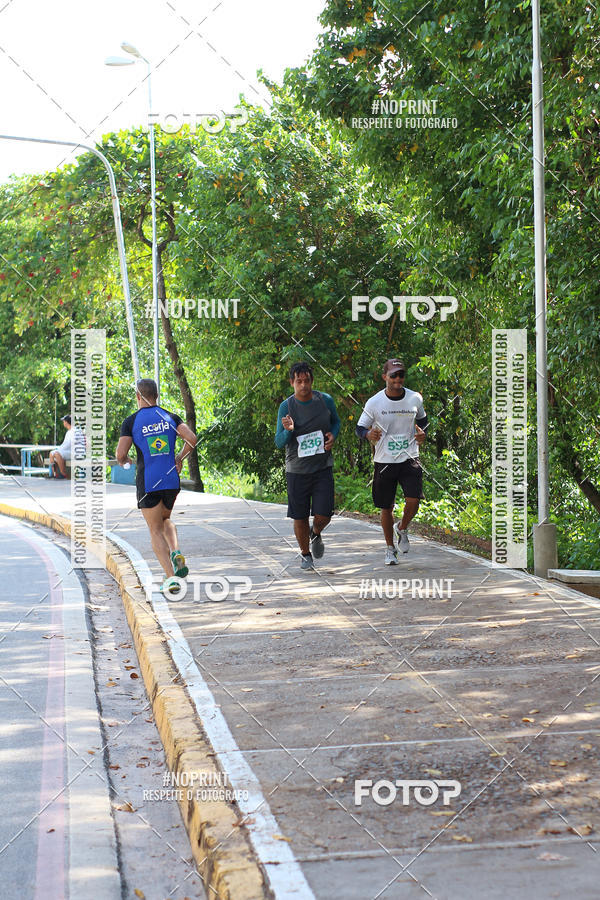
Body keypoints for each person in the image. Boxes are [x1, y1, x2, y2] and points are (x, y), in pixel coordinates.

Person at [115, 378, 198, 593]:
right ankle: (176, 550)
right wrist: (179, 457)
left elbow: (120, 454)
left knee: (154, 530)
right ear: (156, 396)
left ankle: (171, 578)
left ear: (138, 396)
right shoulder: (170, 417)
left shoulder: (131, 421)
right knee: (166, 520)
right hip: (171, 480)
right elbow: (192, 438)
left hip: (149, 481)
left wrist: (124, 461)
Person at [356, 359, 428, 566]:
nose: (398, 379)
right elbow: (360, 428)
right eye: (393, 375)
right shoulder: (374, 402)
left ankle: (402, 527)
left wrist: (423, 433)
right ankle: (389, 549)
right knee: (386, 507)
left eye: (401, 375)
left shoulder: (415, 398)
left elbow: (423, 421)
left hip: (409, 457)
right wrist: (369, 434)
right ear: (384, 377)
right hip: (384, 460)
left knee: (413, 500)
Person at [275, 361, 341, 570]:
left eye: (307, 381)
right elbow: (279, 441)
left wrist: (333, 435)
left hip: (322, 467)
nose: (303, 385)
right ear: (292, 383)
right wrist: (290, 430)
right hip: (297, 471)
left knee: (325, 515)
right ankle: (305, 554)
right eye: (299, 381)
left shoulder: (325, 401)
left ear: (312, 381)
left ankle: (316, 532)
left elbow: (336, 422)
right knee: (300, 516)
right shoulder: (286, 406)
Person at [49, 414, 84, 478]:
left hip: (77, 453)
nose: (63, 422)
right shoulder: (69, 431)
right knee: (51, 453)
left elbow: (69, 444)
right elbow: (66, 444)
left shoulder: (75, 431)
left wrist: (59, 450)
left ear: (66, 422)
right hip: (70, 451)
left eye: (64, 421)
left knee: (57, 454)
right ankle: (54, 474)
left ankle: (63, 474)